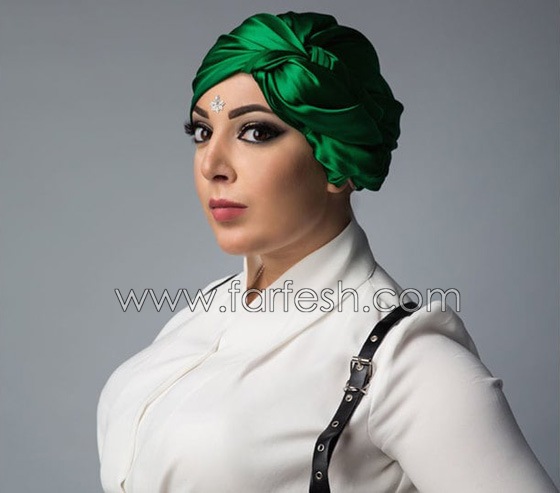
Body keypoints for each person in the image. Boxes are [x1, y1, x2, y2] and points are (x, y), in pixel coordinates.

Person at [96, 11, 558, 493]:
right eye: (201, 132)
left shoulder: (406, 362)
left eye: (256, 132)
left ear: (336, 159)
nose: (212, 164)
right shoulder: (201, 312)